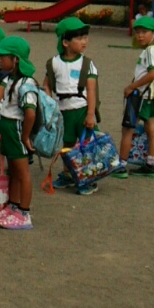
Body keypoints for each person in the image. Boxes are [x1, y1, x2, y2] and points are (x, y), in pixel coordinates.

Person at [45, 18, 99, 194]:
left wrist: (90, 114)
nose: (84, 41)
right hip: (63, 111)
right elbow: (47, 84)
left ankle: (88, 178)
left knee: (86, 145)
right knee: (66, 144)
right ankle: (68, 174)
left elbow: (91, 90)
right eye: (79, 38)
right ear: (65, 42)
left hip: (82, 109)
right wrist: (49, 103)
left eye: (85, 37)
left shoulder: (87, 63)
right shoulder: (54, 63)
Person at [0, 35, 38, 229]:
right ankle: (13, 205)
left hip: (16, 129)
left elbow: (30, 113)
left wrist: (25, 136)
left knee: (22, 172)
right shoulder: (10, 78)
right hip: (8, 127)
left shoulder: (26, 83)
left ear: (16, 59)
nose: (0, 60)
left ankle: (24, 213)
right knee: (13, 171)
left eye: (3, 57)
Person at [118, 15, 154, 179]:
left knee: (127, 129)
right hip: (150, 97)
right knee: (151, 128)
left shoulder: (151, 51)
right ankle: (151, 164)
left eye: (144, 32)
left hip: (141, 96)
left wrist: (132, 86)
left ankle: (121, 165)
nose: (140, 35)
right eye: (137, 32)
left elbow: (152, 74)